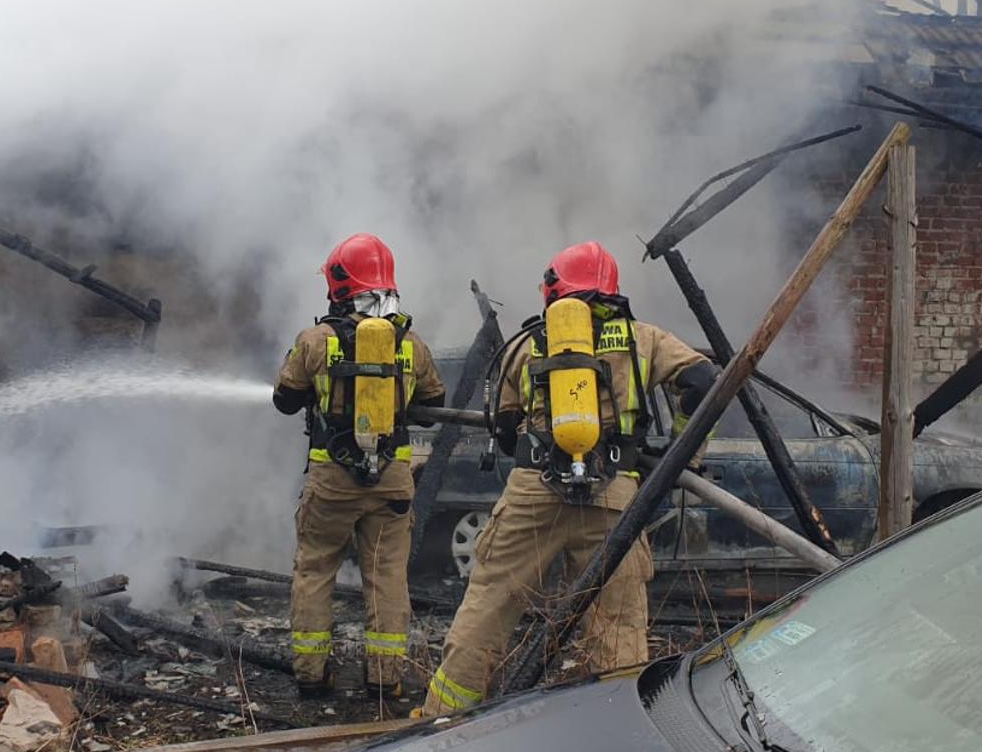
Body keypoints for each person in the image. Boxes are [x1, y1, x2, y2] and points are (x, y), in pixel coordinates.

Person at [420, 240, 719, 717]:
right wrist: (680, 455)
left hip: (533, 493)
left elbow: (502, 424)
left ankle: (440, 719)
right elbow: (703, 383)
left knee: (488, 609)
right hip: (614, 497)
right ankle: (618, 729)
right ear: (612, 291)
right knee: (616, 629)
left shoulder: (527, 342)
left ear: (555, 291)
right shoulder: (646, 339)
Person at [272, 233, 445, 700]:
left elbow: (284, 401)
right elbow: (433, 406)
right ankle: (385, 678)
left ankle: (311, 673)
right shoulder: (412, 345)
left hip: (332, 479)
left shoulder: (315, 341)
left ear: (339, 286)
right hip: (391, 480)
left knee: (315, 569)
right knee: (387, 575)